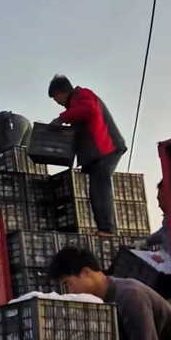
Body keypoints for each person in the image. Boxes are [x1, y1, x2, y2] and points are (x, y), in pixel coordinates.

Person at [48, 75, 126, 236]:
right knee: (95, 190)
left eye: (56, 99)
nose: (57, 103)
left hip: (107, 148)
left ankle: (107, 229)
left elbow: (89, 108)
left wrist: (61, 118)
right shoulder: (75, 104)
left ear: (60, 92)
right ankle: (104, 228)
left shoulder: (81, 94)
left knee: (100, 188)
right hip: (98, 154)